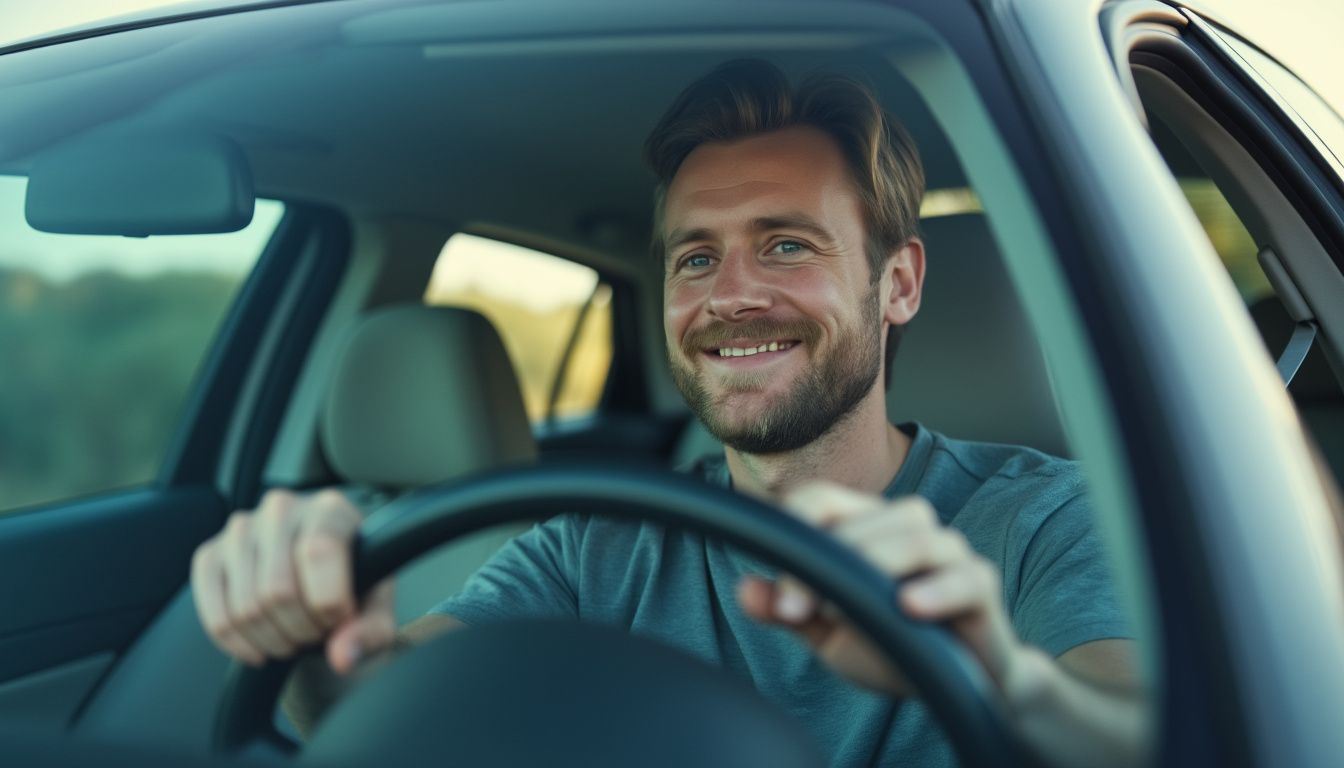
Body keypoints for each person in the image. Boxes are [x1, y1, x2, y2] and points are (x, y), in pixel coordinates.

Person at [191, 60, 1147, 766]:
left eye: (783, 245)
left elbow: (1139, 733)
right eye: (695, 258)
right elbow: (385, 702)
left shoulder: (1045, 517)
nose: (728, 296)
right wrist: (318, 643)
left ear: (897, 284)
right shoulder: (593, 544)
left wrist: (999, 682)